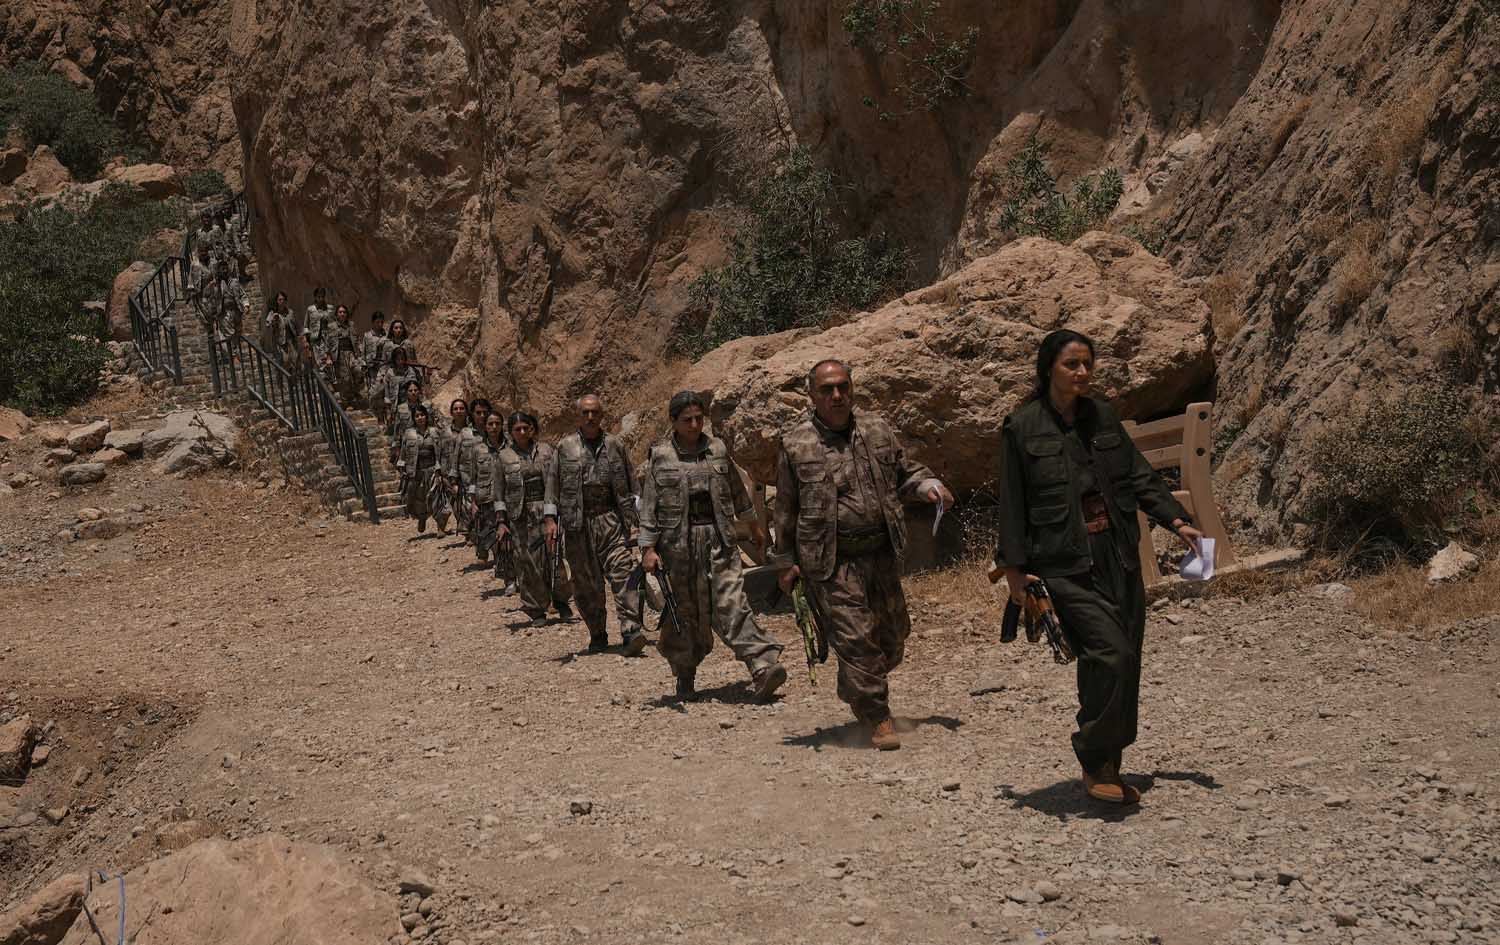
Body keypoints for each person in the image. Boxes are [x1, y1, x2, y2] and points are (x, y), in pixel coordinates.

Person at [995, 329, 1204, 805]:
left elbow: (1138, 476)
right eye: (1072, 364)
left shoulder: (1103, 417)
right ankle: (1094, 756)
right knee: (1112, 653)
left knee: (1123, 658)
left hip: (1118, 553)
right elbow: (1012, 502)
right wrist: (1014, 570)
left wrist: (1176, 521)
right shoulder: (1021, 427)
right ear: (1049, 368)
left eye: (1088, 363)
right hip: (1062, 563)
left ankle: (1108, 764)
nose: (1083, 372)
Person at [773, 360, 953, 750]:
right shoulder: (795, 444)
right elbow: (785, 509)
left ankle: (856, 682)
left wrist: (928, 486)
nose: (837, 395)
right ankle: (877, 717)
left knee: (893, 637)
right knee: (857, 640)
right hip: (831, 562)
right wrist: (785, 563)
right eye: (827, 389)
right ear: (812, 395)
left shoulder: (877, 429)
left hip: (881, 554)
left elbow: (905, 472)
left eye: (843, 386)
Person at [639, 391, 787, 703]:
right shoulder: (661, 457)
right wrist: (648, 549)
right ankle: (685, 673)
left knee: (731, 603)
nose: (694, 425)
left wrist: (754, 527)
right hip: (678, 549)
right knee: (685, 613)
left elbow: (737, 491)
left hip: (719, 542)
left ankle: (762, 665)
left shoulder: (717, 450)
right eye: (687, 420)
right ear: (673, 422)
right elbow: (649, 507)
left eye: (698, 419)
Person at [548, 394, 646, 656]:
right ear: (578, 416)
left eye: (595, 413)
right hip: (577, 525)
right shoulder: (564, 447)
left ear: (602, 415)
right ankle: (597, 633)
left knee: (623, 572)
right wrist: (550, 520)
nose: (590, 417)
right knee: (586, 583)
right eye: (585, 413)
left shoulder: (615, 445)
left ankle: (630, 629)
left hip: (610, 520)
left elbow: (632, 483)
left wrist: (638, 519)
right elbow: (552, 485)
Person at [492, 412, 574, 627]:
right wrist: (501, 522)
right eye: (517, 429)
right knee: (527, 562)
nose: (521, 432)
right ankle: (535, 608)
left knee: (553, 556)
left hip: (547, 511)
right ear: (511, 432)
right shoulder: (503, 457)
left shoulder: (547, 451)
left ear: (532, 429)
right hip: (520, 516)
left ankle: (561, 601)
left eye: (525, 428)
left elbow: (559, 480)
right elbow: (498, 492)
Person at [451, 398, 493, 547]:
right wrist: (454, 481)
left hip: (489, 481)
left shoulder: (494, 431)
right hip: (467, 481)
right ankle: (473, 535)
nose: (482, 416)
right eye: (478, 412)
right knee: (469, 511)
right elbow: (456, 457)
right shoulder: (465, 433)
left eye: (484, 412)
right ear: (472, 414)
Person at [397, 404, 442, 534]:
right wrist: (402, 466)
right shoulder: (409, 434)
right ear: (414, 418)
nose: (420, 418)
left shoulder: (434, 432)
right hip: (416, 471)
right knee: (419, 498)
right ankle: (422, 518)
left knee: (437, 497)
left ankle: (441, 526)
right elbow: (403, 452)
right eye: (417, 416)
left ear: (426, 416)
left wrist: (440, 468)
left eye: (422, 415)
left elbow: (440, 452)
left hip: (432, 469)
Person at [320, 304, 362, 404]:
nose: (342, 314)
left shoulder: (351, 325)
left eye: (344, 312)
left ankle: (356, 392)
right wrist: (328, 357)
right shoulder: (331, 326)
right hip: (339, 354)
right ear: (336, 314)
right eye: (340, 312)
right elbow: (327, 343)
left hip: (351, 353)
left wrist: (360, 354)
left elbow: (357, 339)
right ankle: (347, 401)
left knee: (358, 371)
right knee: (345, 379)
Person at [375, 348, 418, 432]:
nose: (400, 361)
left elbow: (414, 386)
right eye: (398, 359)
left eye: (402, 359)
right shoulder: (390, 372)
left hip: (408, 404)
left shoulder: (409, 371)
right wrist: (388, 409)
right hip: (394, 405)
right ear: (394, 359)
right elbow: (386, 391)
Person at [389, 378, 428, 465]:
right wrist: (396, 447)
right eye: (410, 391)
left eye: (415, 390)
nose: (413, 392)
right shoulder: (401, 409)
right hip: (407, 446)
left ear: (419, 391)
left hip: (424, 444)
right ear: (406, 392)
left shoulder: (426, 406)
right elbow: (397, 430)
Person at [363, 311, 389, 406]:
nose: (380, 324)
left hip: (382, 366)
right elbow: (363, 351)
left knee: (381, 386)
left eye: (381, 322)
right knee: (372, 387)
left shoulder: (386, 336)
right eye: (377, 322)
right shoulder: (367, 336)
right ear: (373, 322)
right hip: (371, 366)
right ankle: (373, 407)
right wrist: (363, 364)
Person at [264, 291, 296, 365]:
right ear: (277, 301)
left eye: (283, 299)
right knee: (284, 362)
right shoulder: (272, 313)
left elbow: (295, 325)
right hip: (280, 343)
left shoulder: (290, 312)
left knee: (294, 361)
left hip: (291, 341)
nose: (282, 301)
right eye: (280, 299)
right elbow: (268, 325)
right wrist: (273, 321)